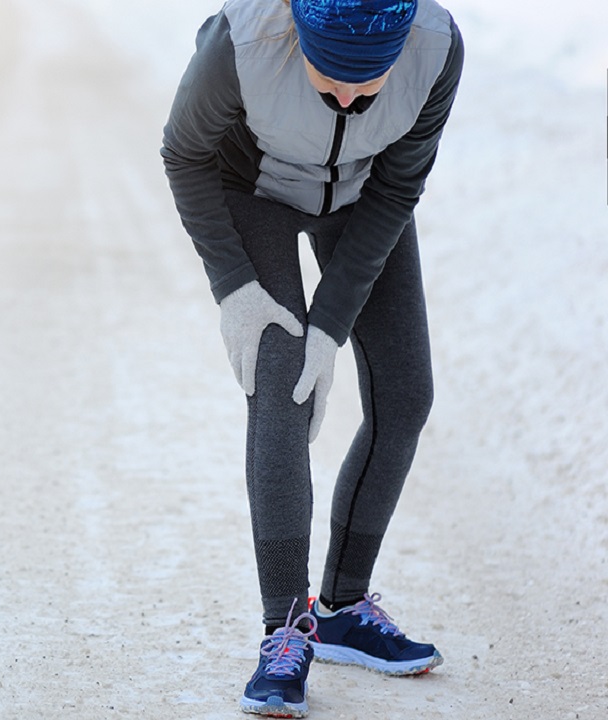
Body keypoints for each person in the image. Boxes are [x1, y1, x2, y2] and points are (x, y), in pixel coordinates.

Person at [160, 0, 464, 715]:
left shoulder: (436, 48)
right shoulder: (241, 41)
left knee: (407, 395)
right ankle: (285, 629)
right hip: (251, 191)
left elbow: (397, 187)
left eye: (370, 84)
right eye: (330, 80)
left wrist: (330, 322)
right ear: (299, 36)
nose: (350, 98)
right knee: (282, 389)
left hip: (363, 200)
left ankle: (342, 607)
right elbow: (184, 153)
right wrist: (235, 289)